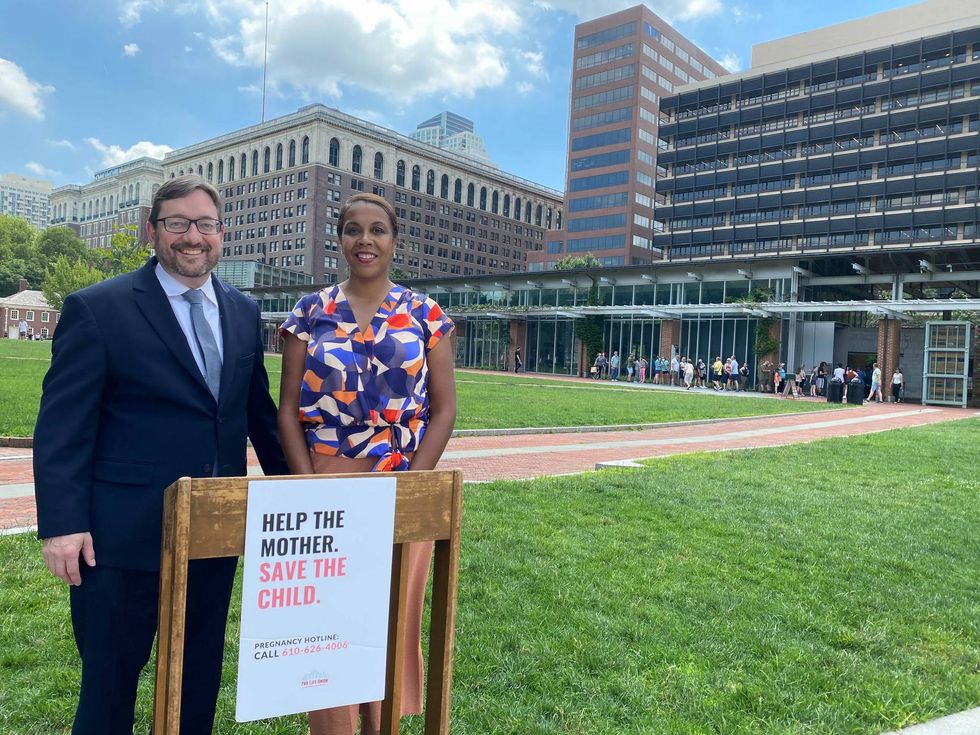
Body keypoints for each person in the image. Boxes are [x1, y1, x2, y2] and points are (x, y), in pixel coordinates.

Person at [33, 175, 288, 735]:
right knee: (110, 686)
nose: (191, 237)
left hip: (212, 535)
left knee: (197, 682)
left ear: (222, 234)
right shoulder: (98, 308)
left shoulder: (243, 311)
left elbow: (257, 414)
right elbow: (62, 427)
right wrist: (62, 525)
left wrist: (310, 492)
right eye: (177, 223)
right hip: (120, 540)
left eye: (204, 224)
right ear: (153, 230)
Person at [277, 192, 457, 735]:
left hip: (403, 479)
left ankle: (383, 725)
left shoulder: (426, 315)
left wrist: (413, 484)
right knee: (328, 618)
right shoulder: (310, 313)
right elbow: (287, 410)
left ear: (394, 240)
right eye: (353, 230)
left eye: (377, 230)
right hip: (326, 477)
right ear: (339, 240)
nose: (365, 241)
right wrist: (307, 489)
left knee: (391, 617)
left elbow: (445, 409)